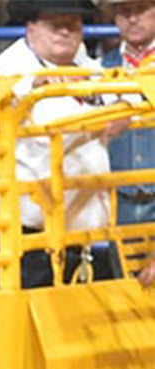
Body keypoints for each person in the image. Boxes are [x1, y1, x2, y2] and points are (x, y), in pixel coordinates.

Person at [0, 0, 125, 288]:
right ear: (31, 28)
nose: (64, 31)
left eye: (73, 25)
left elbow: (121, 110)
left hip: (70, 226)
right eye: (54, 23)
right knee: (15, 312)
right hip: (17, 222)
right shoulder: (10, 67)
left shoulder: (90, 67)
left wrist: (122, 110)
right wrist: (32, 89)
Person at [99, 0, 155, 228]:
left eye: (141, 10)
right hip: (118, 197)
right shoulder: (99, 69)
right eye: (124, 12)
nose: (133, 19)